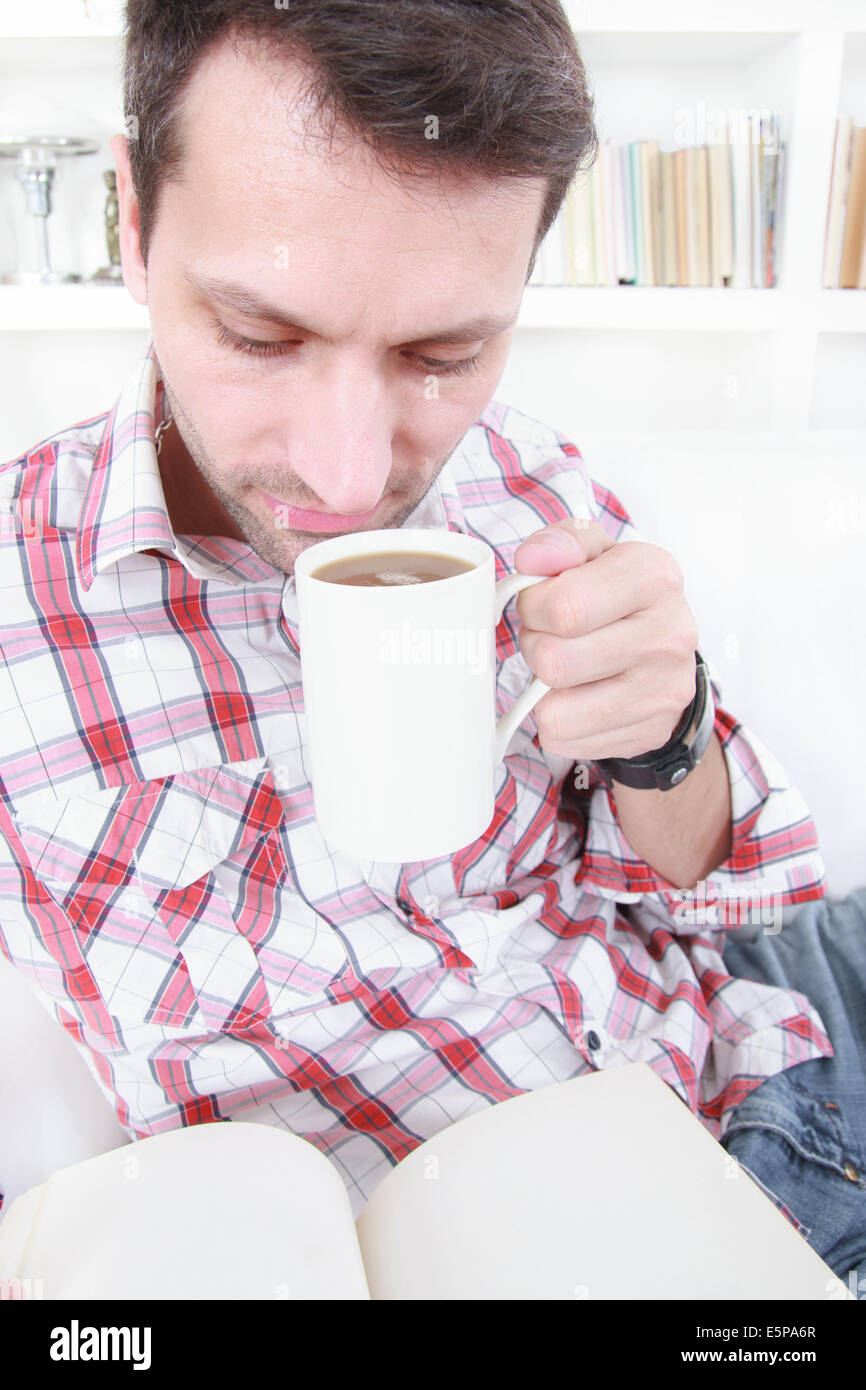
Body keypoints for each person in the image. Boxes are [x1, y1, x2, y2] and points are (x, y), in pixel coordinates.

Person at [0, 0, 861, 1293]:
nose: (347, 475)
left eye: (442, 353)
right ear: (132, 222)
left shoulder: (534, 486)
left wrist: (664, 733)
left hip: (754, 1124)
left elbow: (717, 890)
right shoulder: (20, 582)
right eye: (258, 334)